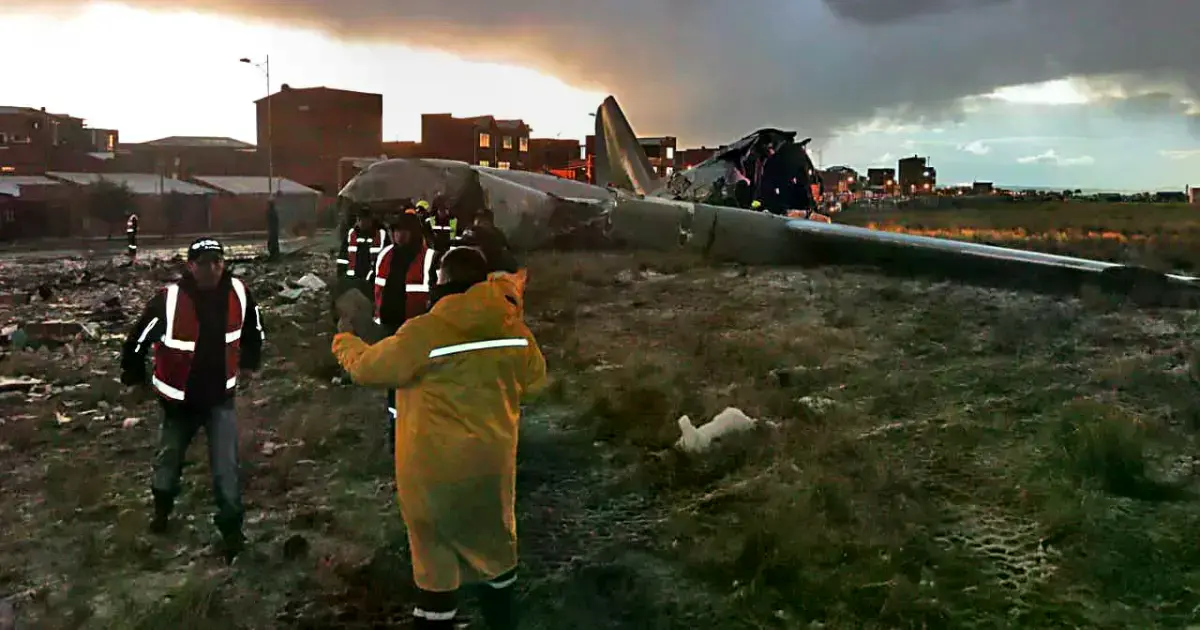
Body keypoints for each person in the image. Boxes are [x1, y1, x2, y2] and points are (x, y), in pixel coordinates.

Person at [332, 247, 547, 629]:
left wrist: (344, 341)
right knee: (495, 550)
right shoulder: (515, 329)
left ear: (443, 281)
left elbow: (370, 369)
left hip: (432, 473)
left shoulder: (425, 332)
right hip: (492, 467)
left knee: (434, 563)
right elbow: (533, 383)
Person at [119, 237, 266, 563]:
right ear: (191, 266)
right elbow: (137, 340)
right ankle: (161, 511)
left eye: (216, 261)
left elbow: (254, 330)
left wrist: (252, 362)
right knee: (169, 460)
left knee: (226, 468)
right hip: (179, 403)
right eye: (203, 262)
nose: (211, 268)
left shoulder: (239, 294)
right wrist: (133, 378)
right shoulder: (169, 301)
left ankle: (232, 532)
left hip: (219, 399)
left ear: (223, 263)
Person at [372, 210, 436, 447]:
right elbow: (376, 290)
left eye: (403, 231)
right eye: (395, 231)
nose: (398, 236)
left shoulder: (429, 258)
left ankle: (419, 430)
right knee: (394, 381)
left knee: (417, 380)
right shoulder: (385, 256)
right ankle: (395, 431)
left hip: (416, 330)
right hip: (389, 328)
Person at [457, 209, 518, 273]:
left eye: (483, 220)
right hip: (474, 267)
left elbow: (506, 248)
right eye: (478, 219)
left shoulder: (496, 233)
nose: (479, 222)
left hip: (493, 267)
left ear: (490, 222)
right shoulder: (470, 232)